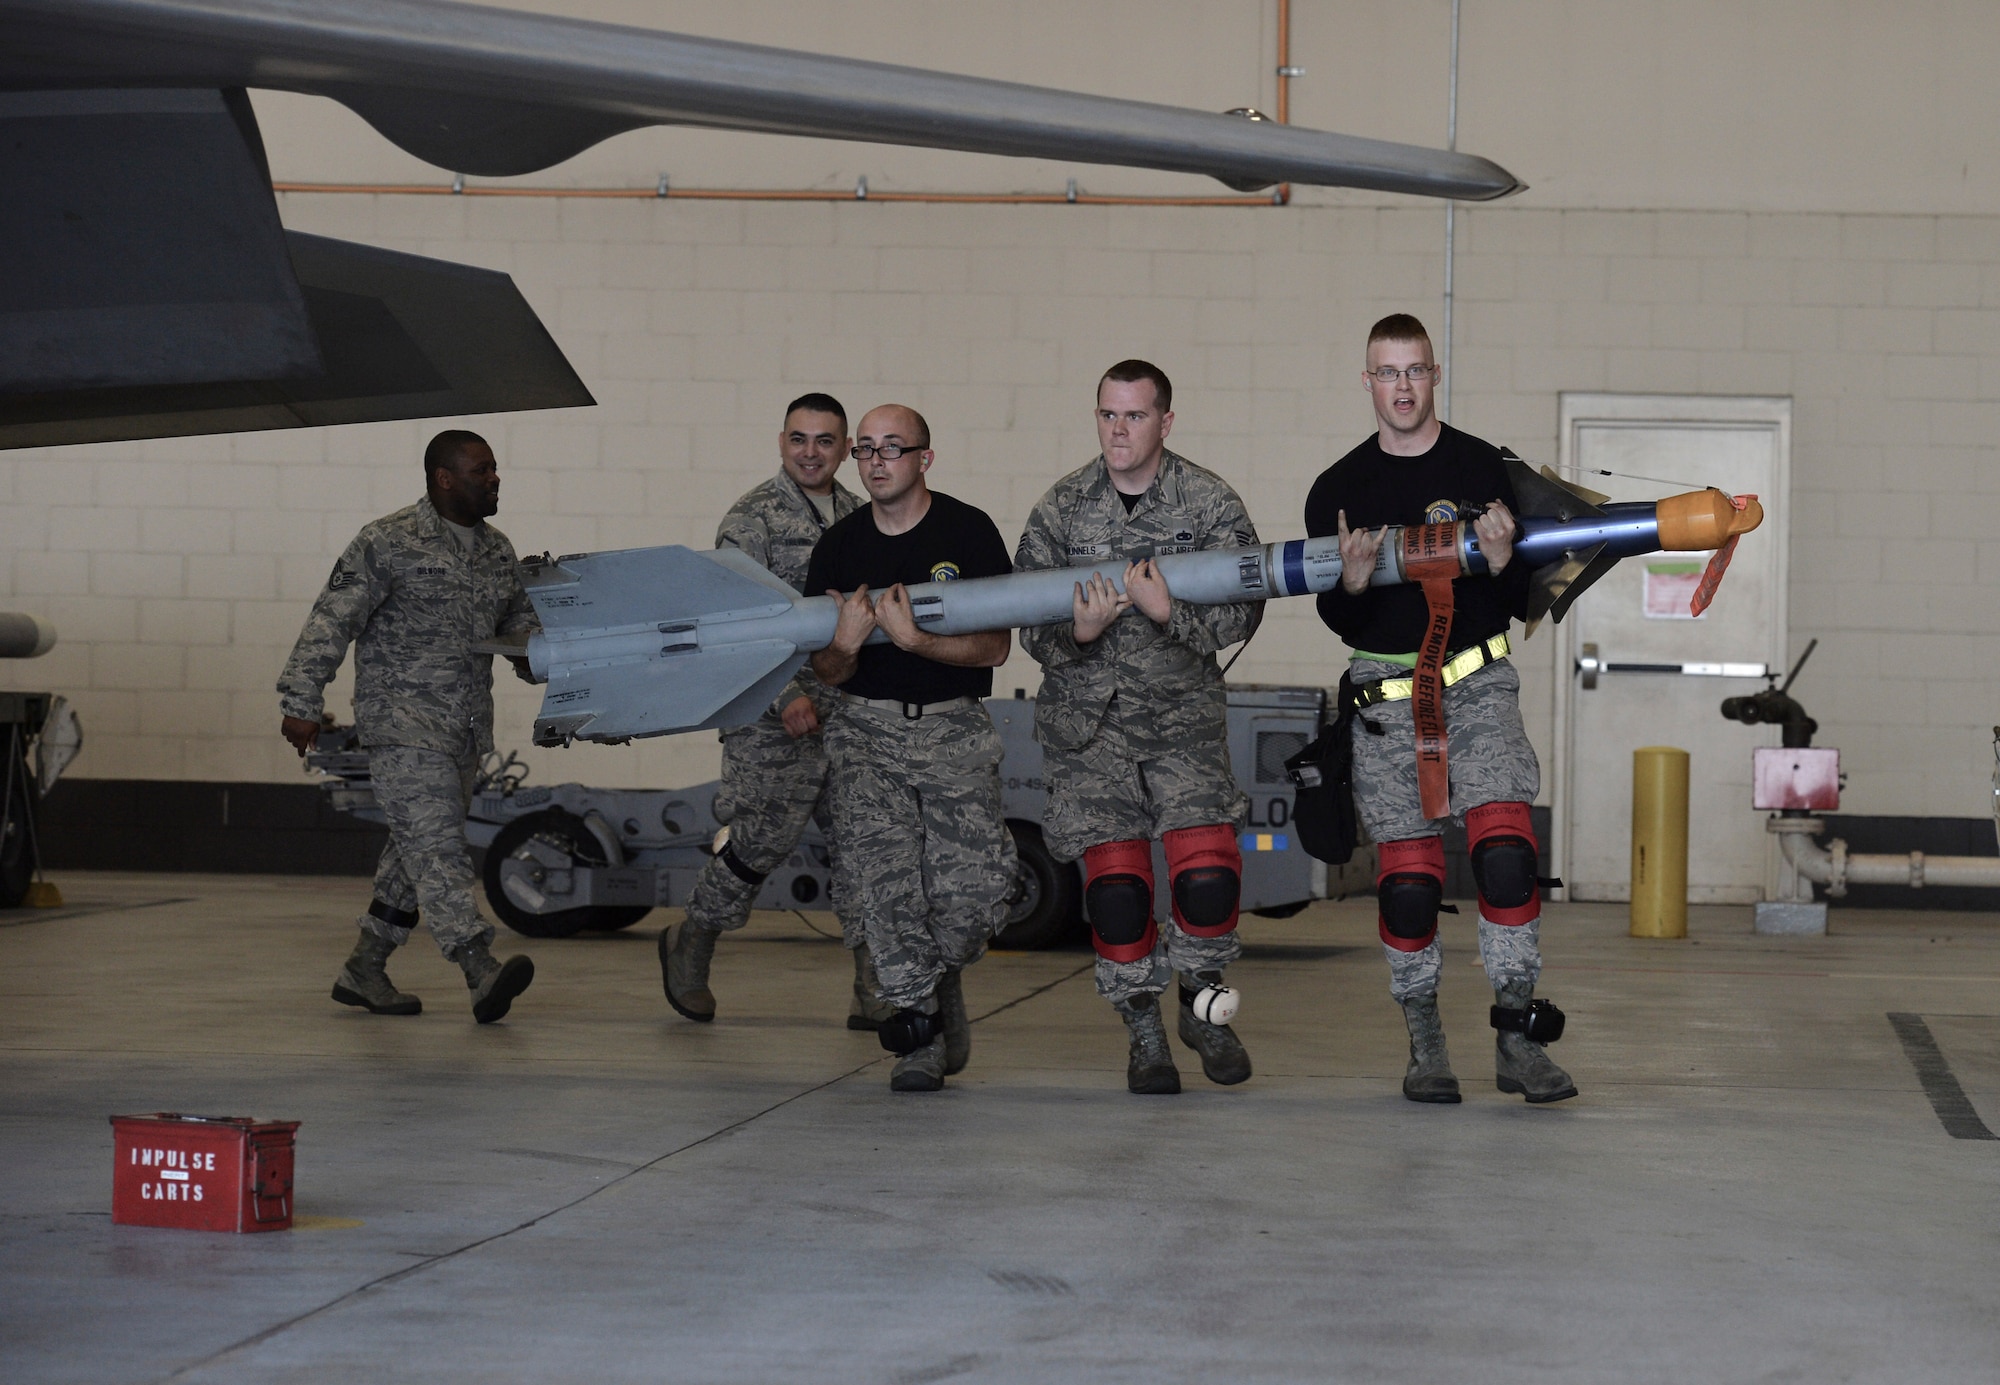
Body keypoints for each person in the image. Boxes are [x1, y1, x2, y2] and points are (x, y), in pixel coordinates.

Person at [1304, 314, 1576, 1104]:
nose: (1402, 387)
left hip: (1478, 683)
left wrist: (1498, 563)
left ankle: (1518, 1037)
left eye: (1415, 371)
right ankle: (1425, 1044)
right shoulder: (1339, 489)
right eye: (1386, 373)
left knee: (1505, 854)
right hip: (1388, 697)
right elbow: (1340, 618)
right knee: (1410, 882)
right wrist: (1352, 583)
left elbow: (1520, 588)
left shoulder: (1482, 465)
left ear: (1435, 374)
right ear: (1367, 382)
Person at [1015, 360, 1263, 1095]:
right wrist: (1080, 634)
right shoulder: (1061, 508)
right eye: (1107, 416)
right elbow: (1028, 621)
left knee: (1209, 878)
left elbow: (1245, 606)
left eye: (1134, 416)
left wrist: (1169, 615)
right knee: (1118, 894)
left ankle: (1202, 1005)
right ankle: (1144, 1034)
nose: (1118, 431)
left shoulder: (1209, 501)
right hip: (1090, 732)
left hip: (1181, 723)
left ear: (1165, 421)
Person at [278, 429, 539, 1024]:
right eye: (482, 470)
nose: (494, 479)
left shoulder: (497, 550)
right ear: (444, 478)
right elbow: (331, 621)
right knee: (440, 850)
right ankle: (479, 968)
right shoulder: (388, 541)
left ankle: (364, 969)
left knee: (413, 854)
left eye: (495, 469)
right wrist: (300, 698)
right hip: (402, 727)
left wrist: (545, 656)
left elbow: (519, 631)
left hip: (464, 730)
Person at [660, 393, 892, 1030]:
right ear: (781, 442)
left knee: (864, 846)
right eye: (798, 439)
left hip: (847, 712)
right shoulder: (752, 518)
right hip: (768, 711)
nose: (810, 452)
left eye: (824, 440)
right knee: (758, 846)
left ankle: (873, 987)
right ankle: (691, 944)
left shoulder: (863, 513)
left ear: (846, 448)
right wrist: (786, 694)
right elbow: (732, 622)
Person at [804, 404, 1016, 1092]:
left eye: (892, 448)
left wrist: (915, 640)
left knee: (977, 893)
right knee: (886, 892)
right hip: (865, 734)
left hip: (953, 728)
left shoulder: (969, 530)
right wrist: (842, 645)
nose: (876, 461)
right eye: (865, 449)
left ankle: (942, 973)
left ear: (925, 457)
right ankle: (918, 1037)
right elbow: (828, 673)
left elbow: (996, 647)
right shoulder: (838, 547)